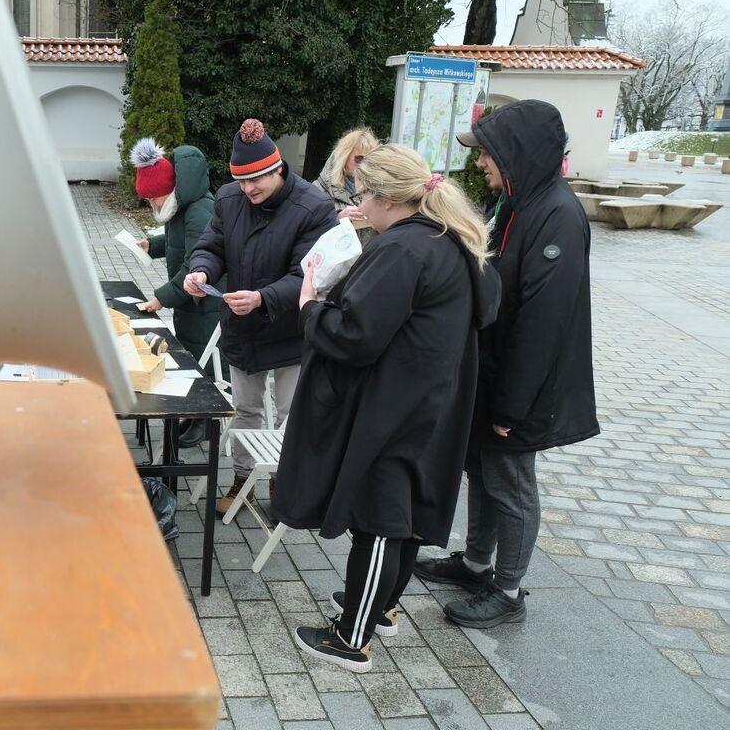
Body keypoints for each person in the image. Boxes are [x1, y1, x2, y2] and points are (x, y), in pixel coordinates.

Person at [274, 143, 500, 673]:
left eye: (360, 196)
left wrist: (310, 308)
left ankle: (352, 635)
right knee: (404, 513)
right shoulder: (449, 238)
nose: (357, 205)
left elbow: (355, 334)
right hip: (432, 398)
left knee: (380, 516)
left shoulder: (404, 249)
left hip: (397, 403)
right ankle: (379, 608)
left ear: (382, 197)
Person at [414, 99, 600, 628]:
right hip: (497, 374)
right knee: (484, 471)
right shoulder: (522, 202)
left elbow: (544, 323)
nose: (480, 165)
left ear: (515, 154)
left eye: (488, 155)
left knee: (511, 483)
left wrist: (512, 406)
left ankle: (509, 589)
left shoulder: (557, 215)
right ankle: (476, 563)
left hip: (524, 387)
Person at [184, 118, 336, 517]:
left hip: (290, 329)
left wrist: (263, 298)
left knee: (290, 413)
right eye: (241, 180)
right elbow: (211, 245)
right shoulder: (228, 198)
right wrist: (200, 270)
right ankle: (242, 479)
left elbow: (309, 274)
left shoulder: (314, 206)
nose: (248, 189)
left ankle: (283, 485)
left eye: (257, 180)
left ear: (278, 168)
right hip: (243, 325)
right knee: (245, 410)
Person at [130, 138, 222, 447]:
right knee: (191, 356)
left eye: (151, 199)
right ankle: (194, 415)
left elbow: (191, 267)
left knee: (204, 362)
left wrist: (160, 298)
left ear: (164, 193)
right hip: (189, 301)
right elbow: (175, 240)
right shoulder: (181, 205)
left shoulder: (200, 210)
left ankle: (205, 419)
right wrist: (151, 245)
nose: (152, 205)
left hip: (205, 302)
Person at [315, 127, 380, 245]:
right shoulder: (318, 189)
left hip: (371, 260)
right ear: (344, 157)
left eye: (369, 159)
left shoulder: (381, 190)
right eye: (359, 159)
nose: (364, 165)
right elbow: (308, 231)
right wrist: (338, 219)